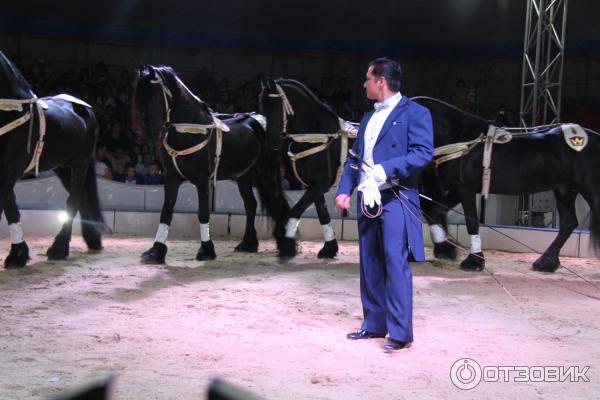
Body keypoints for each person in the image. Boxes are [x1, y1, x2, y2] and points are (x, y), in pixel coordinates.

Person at [335, 57, 433, 352]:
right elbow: (356, 159)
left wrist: (386, 169)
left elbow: (423, 153)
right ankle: (374, 324)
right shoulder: (367, 118)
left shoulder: (416, 113)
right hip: (368, 198)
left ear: (381, 81)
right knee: (370, 262)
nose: (363, 83)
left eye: (367, 78)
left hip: (396, 197)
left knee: (394, 261)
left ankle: (401, 332)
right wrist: (345, 189)